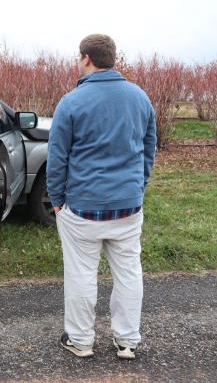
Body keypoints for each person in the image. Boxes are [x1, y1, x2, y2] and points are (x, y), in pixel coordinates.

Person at [47, 34, 157, 360]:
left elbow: (58, 158)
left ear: (85, 59)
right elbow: (148, 150)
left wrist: (56, 199)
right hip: (128, 206)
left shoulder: (71, 102)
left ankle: (81, 341)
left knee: (81, 273)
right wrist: (139, 185)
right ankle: (127, 342)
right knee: (128, 272)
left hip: (82, 208)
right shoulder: (140, 98)